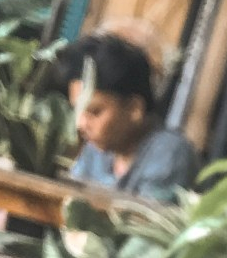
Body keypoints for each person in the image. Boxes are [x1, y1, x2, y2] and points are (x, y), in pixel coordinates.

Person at [56, 32, 196, 200]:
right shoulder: (97, 149)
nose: (80, 123)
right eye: (78, 111)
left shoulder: (170, 153)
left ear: (134, 109)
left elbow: (142, 216)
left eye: (95, 112)